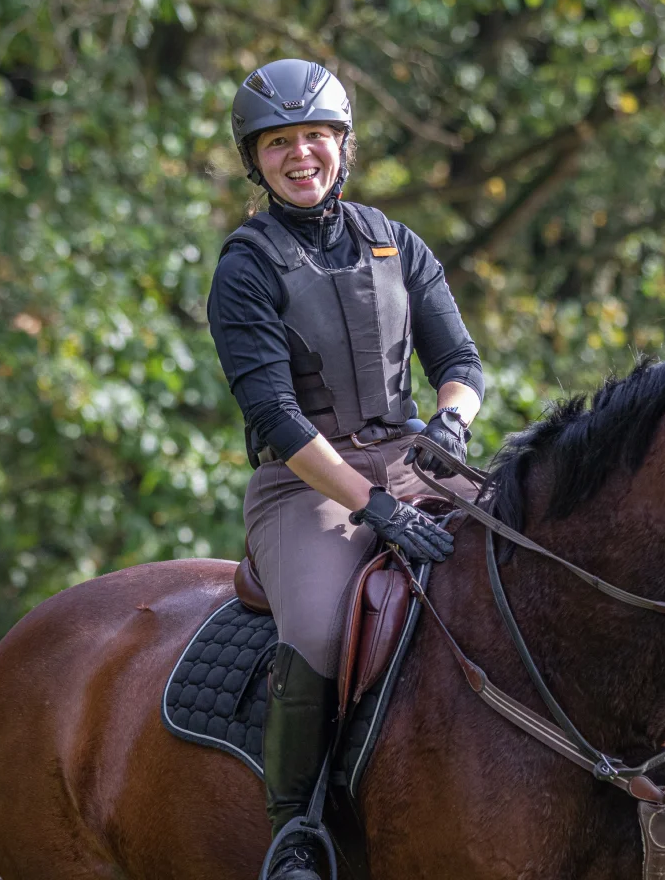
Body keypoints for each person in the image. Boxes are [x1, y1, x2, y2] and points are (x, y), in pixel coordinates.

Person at [207, 58, 484, 880]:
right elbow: (277, 420)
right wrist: (374, 506)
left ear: (344, 145)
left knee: (529, 556)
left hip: (418, 462)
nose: (301, 156)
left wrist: (454, 423)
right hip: (306, 486)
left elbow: (460, 358)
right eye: (280, 143)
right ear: (254, 159)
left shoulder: (394, 241)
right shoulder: (245, 268)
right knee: (323, 627)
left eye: (316, 137)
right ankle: (295, 832)